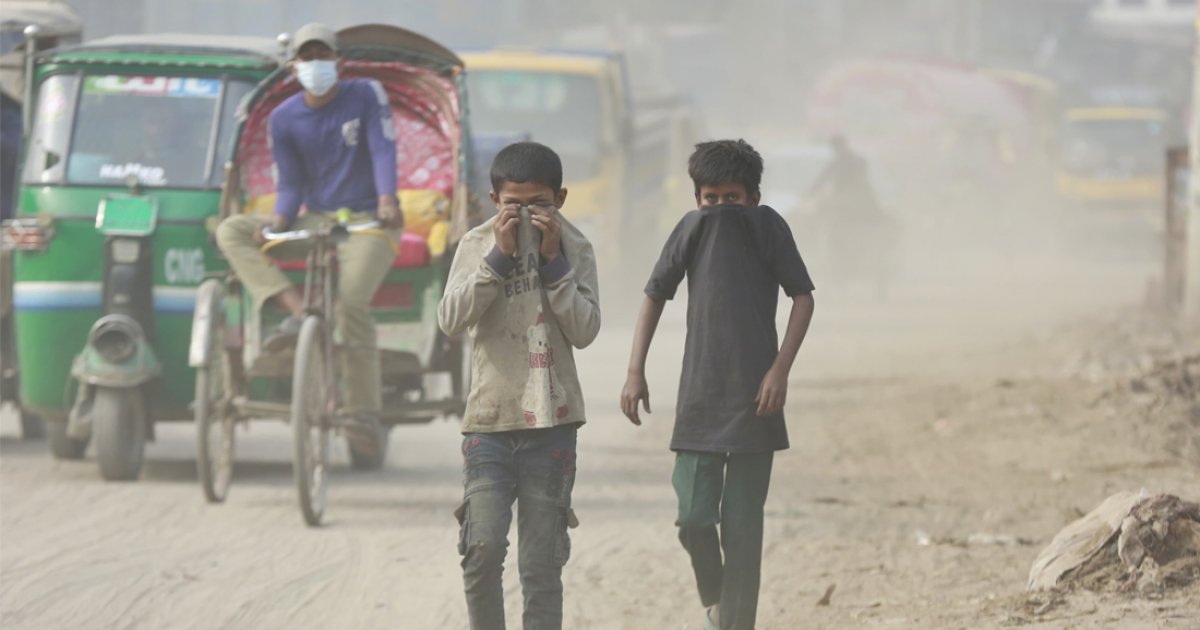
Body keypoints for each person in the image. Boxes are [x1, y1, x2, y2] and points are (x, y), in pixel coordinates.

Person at [621, 139, 815, 630]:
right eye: (711, 199)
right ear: (697, 199)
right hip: (701, 397)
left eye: (732, 198)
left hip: (758, 399)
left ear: (753, 196)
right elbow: (654, 294)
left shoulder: (769, 226)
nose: (721, 208)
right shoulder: (691, 229)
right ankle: (715, 599)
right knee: (693, 517)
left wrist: (780, 370)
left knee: (744, 531)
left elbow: (803, 298)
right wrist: (634, 371)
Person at [215, 23, 403, 458]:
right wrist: (278, 221)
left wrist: (388, 200)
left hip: (368, 221)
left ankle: (362, 411)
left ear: (338, 61)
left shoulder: (366, 94)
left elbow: (382, 150)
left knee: (351, 304)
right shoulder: (283, 118)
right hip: (315, 218)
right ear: (294, 65)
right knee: (232, 231)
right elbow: (291, 182)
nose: (315, 64)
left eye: (323, 56)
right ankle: (297, 312)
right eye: (307, 57)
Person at [438, 141, 600, 630]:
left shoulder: (576, 247)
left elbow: (586, 329)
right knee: (481, 548)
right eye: (514, 205)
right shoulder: (475, 245)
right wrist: (499, 260)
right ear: (494, 200)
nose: (527, 214)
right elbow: (450, 319)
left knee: (541, 564)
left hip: (553, 425)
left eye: (540, 205)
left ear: (561, 199)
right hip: (489, 422)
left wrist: (553, 265)